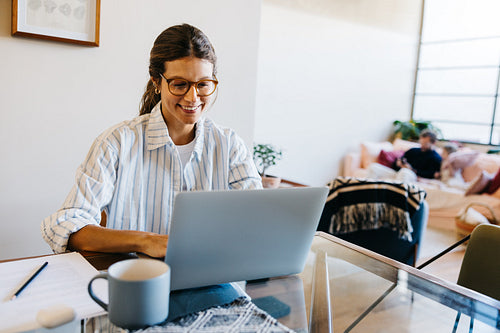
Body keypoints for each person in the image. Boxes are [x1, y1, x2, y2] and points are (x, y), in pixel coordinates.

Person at [41, 24, 262, 258]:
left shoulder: (230, 146)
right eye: (179, 84)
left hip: (213, 278)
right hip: (137, 282)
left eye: (203, 84)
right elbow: (68, 224)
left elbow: (259, 219)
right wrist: (145, 241)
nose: (192, 97)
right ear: (157, 82)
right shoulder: (116, 143)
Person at [368, 129, 442, 183]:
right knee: (374, 167)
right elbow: (396, 163)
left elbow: (431, 175)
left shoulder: (436, 158)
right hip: (398, 173)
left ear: (433, 143)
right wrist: (398, 163)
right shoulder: (413, 150)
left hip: (412, 176)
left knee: (405, 172)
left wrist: (412, 170)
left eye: (425, 143)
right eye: (421, 142)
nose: (422, 145)